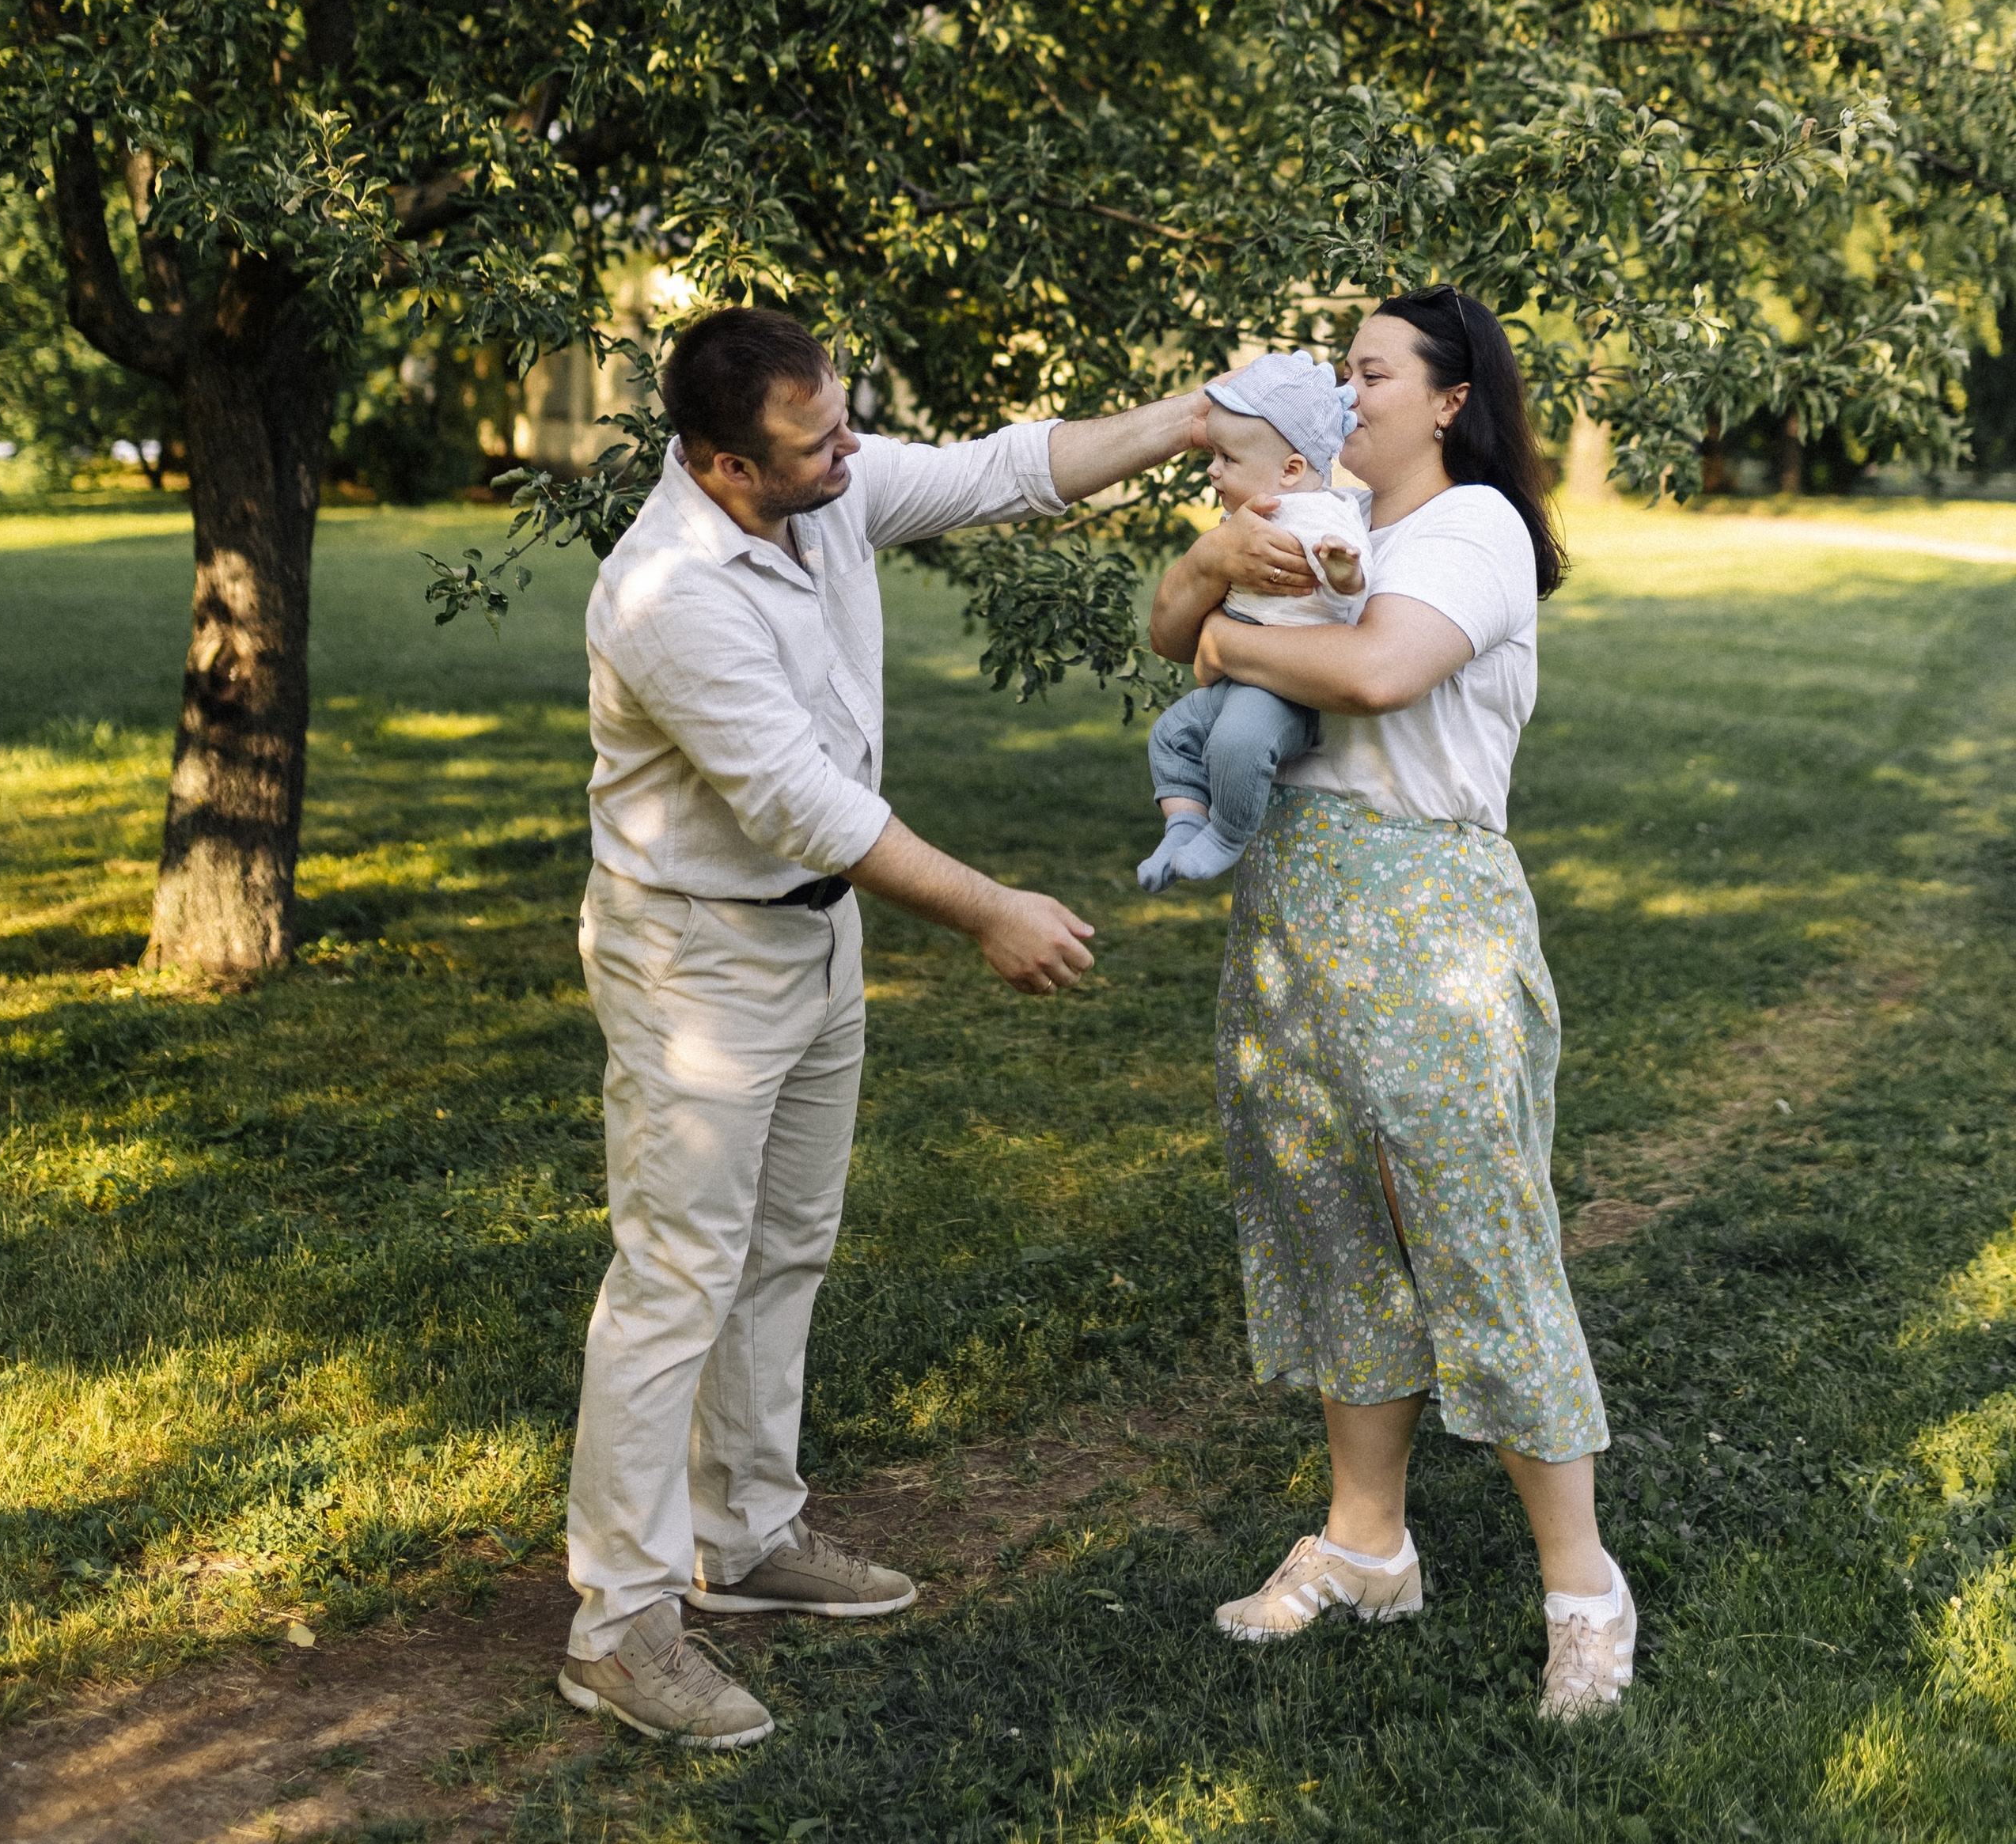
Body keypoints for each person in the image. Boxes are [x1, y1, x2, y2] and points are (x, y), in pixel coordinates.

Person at [561, 305, 1203, 1750]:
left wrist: (1191, 418)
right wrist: (987, 907)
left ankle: (747, 1531)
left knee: (787, 1244)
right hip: (696, 959)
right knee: (677, 1279)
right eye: (815, 441)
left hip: (813, 939)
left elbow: (1003, 469)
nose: (849, 451)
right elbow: (804, 806)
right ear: (726, 464)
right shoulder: (667, 594)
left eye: (845, 419)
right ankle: (620, 1625)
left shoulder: (825, 487)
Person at [1148, 286, 1631, 1725]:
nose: (1345, 394)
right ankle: (1368, 1549)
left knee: (1480, 1240)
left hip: (1431, 926)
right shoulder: (1306, 522)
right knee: (1331, 1230)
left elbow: (1375, 667)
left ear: (1449, 399)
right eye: (1342, 372)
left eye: (1370, 373)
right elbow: (1168, 620)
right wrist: (1206, 577)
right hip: (1294, 913)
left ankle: (1584, 1592)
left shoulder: (1467, 529)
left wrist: (1228, 638)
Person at [1135, 350, 1370, 893]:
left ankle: (1226, 834)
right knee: (1171, 736)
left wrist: (1340, 565)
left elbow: (1350, 581)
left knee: (1235, 744)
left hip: (1285, 688)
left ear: (1291, 471)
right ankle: (1183, 825)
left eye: (1227, 458)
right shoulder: (1256, 510)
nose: (1213, 469)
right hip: (1236, 676)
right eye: (1213, 454)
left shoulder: (1320, 516)